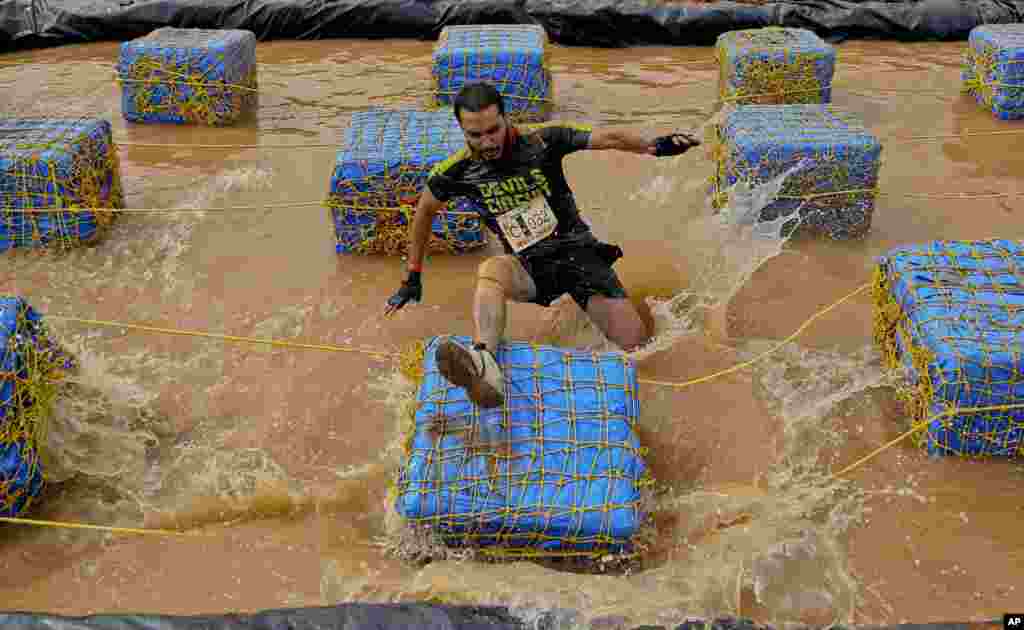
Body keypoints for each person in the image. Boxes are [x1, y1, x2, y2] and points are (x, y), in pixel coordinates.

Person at [383, 81, 700, 409]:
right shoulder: (455, 172)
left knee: (641, 352)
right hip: (529, 267)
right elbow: (423, 212)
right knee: (490, 271)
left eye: (493, 130)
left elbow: (607, 138)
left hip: (580, 258)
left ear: (506, 119)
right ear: (462, 130)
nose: (487, 142)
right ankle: (484, 363)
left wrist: (653, 145)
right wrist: (413, 275)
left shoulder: (543, 141)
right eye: (475, 135)